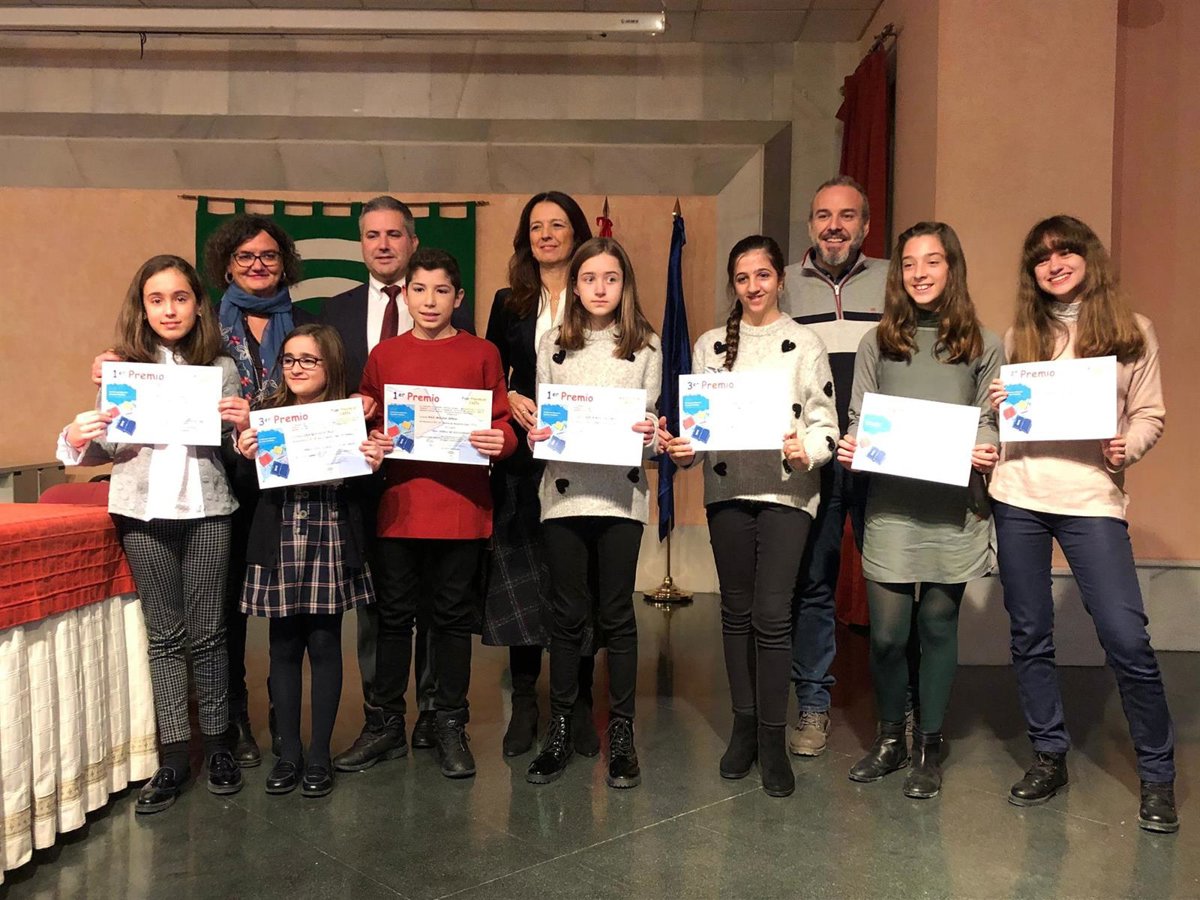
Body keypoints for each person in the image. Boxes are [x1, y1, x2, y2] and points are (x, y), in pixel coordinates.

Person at [988, 215, 1177, 833]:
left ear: (1088, 256)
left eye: (1065, 251)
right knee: (1029, 632)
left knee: (1125, 636)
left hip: (1091, 497)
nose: (1055, 264)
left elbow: (1149, 414)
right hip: (1019, 494)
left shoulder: (1132, 331)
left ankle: (1157, 775)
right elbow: (1006, 420)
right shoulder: (1019, 336)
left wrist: (1129, 446)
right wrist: (997, 407)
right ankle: (1049, 754)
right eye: (1041, 257)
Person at [59, 255, 249, 813]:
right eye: (157, 299)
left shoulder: (221, 366)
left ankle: (219, 746)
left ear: (198, 305)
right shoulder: (122, 368)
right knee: (164, 636)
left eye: (180, 297)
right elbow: (107, 445)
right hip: (141, 513)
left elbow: (234, 449)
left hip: (208, 509)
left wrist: (245, 425)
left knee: (209, 632)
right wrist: (77, 434)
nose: (169, 309)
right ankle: (174, 756)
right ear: (142, 308)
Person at [664, 235, 838, 797]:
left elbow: (826, 423)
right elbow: (697, 432)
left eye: (762, 275)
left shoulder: (805, 343)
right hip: (728, 491)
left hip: (787, 493)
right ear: (734, 285)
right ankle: (743, 726)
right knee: (735, 613)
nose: (753, 286)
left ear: (780, 279)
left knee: (772, 614)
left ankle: (772, 735)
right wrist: (684, 451)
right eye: (742, 278)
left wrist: (808, 450)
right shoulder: (711, 345)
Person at [837, 221, 1001, 799]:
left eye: (932, 261)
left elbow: (989, 418)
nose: (919, 273)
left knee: (935, 625)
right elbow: (858, 417)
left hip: (953, 509)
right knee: (886, 635)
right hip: (892, 506)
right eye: (908, 263)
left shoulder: (983, 343)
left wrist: (986, 446)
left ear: (952, 268)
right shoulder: (877, 343)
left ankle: (929, 745)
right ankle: (891, 739)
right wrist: (854, 443)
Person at [321, 196, 473, 770]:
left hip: (444, 491)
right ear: (362, 243)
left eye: (393, 234)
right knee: (383, 610)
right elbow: (329, 391)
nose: (382, 244)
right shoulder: (334, 311)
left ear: (412, 242)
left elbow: (472, 406)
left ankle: (436, 714)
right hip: (368, 485)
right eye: (372, 235)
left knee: (442, 611)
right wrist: (356, 411)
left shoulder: (461, 328)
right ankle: (382, 717)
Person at [358, 248, 516, 778]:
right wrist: (371, 434)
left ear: (458, 297)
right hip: (399, 507)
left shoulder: (482, 353)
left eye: (441, 290)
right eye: (419, 290)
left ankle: (449, 722)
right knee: (393, 619)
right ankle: (385, 725)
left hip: (462, 509)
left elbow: (503, 422)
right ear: (405, 295)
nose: (429, 301)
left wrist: (502, 440)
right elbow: (367, 413)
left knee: (450, 621)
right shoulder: (385, 354)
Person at [524, 237, 661, 789]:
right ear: (574, 286)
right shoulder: (552, 343)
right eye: (589, 278)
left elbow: (652, 434)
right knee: (566, 615)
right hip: (563, 494)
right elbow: (545, 421)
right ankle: (559, 727)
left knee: (617, 614)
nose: (600, 288)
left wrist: (651, 436)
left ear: (625, 285)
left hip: (622, 496)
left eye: (611, 278)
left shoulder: (646, 345)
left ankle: (622, 732)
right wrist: (537, 435)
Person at [234, 324, 388, 797]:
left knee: (324, 645)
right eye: (289, 359)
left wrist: (373, 465)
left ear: (331, 364)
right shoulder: (266, 414)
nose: (296, 368)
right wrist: (243, 455)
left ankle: (319, 753)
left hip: (330, 534)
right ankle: (289, 754)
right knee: (282, 648)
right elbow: (247, 490)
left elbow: (366, 491)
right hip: (279, 534)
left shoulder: (350, 417)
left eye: (308, 360)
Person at [484, 191, 600, 758]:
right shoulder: (509, 301)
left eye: (557, 225)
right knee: (524, 575)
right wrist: (508, 396)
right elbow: (489, 370)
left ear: (577, 233)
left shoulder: (598, 292)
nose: (546, 235)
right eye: (536, 227)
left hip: (585, 454)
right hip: (524, 456)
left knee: (578, 578)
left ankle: (578, 700)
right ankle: (526, 699)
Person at [781, 176, 887, 757]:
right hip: (815, 458)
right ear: (810, 225)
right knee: (814, 582)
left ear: (865, 225)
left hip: (880, 456)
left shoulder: (895, 279)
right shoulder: (783, 285)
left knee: (892, 583)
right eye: (823, 215)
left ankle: (901, 710)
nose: (834, 226)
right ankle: (814, 704)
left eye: (847, 216)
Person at [204, 214, 306, 766]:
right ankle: (235, 718)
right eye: (245, 256)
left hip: (288, 485)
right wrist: (113, 362)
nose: (258, 265)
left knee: (288, 610)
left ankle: (284, 717)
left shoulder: (308, 324)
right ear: (227, 266)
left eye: (268, 255)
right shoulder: (204, 331)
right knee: (229, 611)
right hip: (223, 483)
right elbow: (155, 366)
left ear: (284, 264)